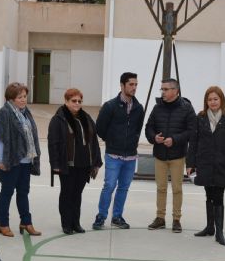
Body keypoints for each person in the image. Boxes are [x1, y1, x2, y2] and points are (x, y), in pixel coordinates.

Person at [0, 82, 42, 238]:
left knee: (23, 192)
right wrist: (2, 160)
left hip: (25, 160)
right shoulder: (4, 113)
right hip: (10, 161)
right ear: (11, 98)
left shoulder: (25, 112)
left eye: (25, 96)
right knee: (7, 192)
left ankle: (26, 222)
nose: (23, 99)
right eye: (20, 97)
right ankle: (3, 224)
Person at [186, 86, 225, 245]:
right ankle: (210, 227)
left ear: (221, 99)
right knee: (209, 194)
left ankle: (219, 232)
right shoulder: (200, 117)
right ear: (206, 102)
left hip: (223, 163)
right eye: (210, 99)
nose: (213, 102)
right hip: (205, 162)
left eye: (216, 99)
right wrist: (191, 163)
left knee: (219, 196)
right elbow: (193, 142)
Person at [92, 72, 144, 230]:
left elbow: (138, 128)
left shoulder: (138, 108)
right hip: (113, 155)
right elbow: (100, 129)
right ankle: (101, 216)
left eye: (136, 84)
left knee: (123, 187)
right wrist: (113, 140)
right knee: (109, 186)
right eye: (131, 84)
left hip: (131, 156)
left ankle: (117, 216)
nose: (134, 87)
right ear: (122, 85)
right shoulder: (109, 106)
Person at [144, 78, 196, 233]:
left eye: (166, 89)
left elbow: (192, 131)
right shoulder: (157, 107)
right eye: (162, 89)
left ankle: (176, 219)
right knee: (160, 187)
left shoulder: (187, 108)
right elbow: (149, 127)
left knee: (177, 188)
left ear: (175, 90)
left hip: (177, 156)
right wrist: (154, 138)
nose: (163, 92)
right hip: (160, 155)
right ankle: (160, 218)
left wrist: (175, 140)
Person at [48, 88, 102, 234]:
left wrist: (96, 162)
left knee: (77, 194)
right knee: (67, 193)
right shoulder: (58, 119)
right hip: (67, 165)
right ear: (66, 101)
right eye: (73, 101)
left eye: (79, 101)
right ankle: (66, 224)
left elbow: (94, 141)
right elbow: (53, 143)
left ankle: (75, 223)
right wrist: (55, 164)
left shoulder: (86, 118)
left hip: (84, 164)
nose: (77, 104)